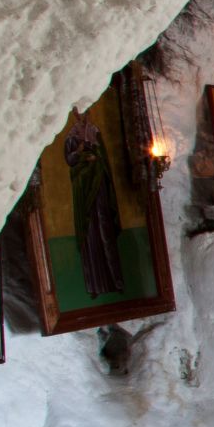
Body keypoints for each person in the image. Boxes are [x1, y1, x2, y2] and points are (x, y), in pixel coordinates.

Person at [64, 106, 124, 297]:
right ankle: (94, 286)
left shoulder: (95, 132)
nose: (82, 115)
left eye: (85, 111)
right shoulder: (71, 137)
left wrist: (95, 159)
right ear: (74, 114)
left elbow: (104, 160)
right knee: (90, 235)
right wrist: (82, 154)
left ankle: (116, 281)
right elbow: (70, 160)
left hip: (100, 189)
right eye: (78, 112)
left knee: (106, 231)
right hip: (84, 190)